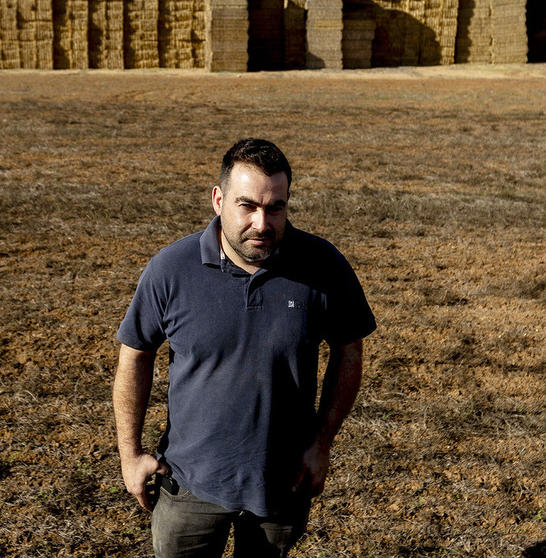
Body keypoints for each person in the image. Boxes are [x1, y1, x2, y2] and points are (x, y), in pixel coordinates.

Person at [113, 138, 376, 557]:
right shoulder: (171, 269)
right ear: (218, 200)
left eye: (276, 208)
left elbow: (350, 349)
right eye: (247, 205)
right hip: (188, 484)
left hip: (282, 483)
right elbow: (135, 355)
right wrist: (131, 455)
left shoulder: (322, 265)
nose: (261, 223)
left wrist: (322, 443)